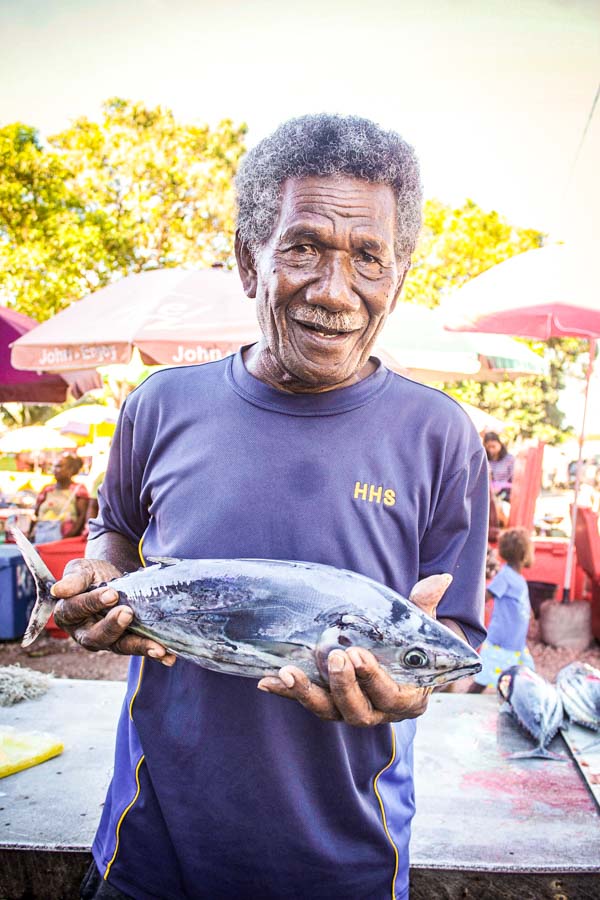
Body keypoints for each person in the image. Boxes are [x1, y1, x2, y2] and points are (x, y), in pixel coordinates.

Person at [52, 114, 488, 900]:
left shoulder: (442, 435)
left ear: (399, 274)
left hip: (346, 865)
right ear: (249, 261)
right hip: (150, 853)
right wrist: (99, 582)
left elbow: (453, 637)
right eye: (303, 247)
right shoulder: (159, 404)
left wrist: (413, 682)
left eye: (368, 257)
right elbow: (115, 535)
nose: (335, 289)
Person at [469, 527, 534, 694]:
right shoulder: (505, 576)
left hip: (516, 643)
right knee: (483, 679)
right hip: (501, 642)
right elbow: (485, 596)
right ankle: (462, 704)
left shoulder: (515, 577)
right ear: (524, 554)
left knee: (522, 676)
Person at [31, 453, 88, 544]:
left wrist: (67, 539)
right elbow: (36, 513)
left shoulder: (78, 490)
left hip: (65, 544)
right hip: (41, 539)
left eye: (59, 466)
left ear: (71, 470)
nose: (55, 470)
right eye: (54, 466)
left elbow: (82, 518)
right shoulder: (47, 489)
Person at [483, 431, 515, 501]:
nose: (491, 449)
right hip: (489, 494)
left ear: (499, 443)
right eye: (488, 447)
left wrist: (500, 488)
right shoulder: (485, 460)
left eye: (493, 446)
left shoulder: (509, 459)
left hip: (505, 494)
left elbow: (514, 481)